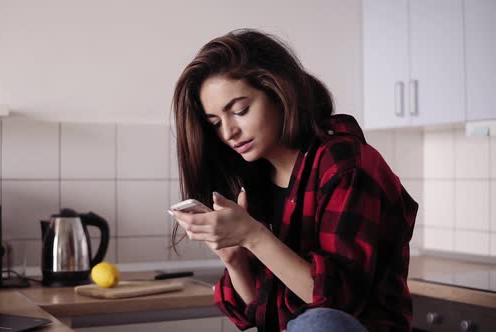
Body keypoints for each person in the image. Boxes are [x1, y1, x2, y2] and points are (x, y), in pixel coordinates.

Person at [169, 29, 418, 332]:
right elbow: (258, 313)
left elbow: (336, 306)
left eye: (240, 111)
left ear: (279, 92)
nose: (228, 132)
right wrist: (235, 260)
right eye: (216, 123)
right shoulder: (256, 177)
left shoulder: (344, 164)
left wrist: (253, 235)